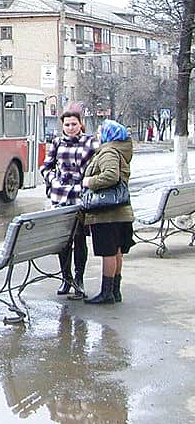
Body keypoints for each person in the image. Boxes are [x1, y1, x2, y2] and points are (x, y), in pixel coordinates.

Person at [40, 107, 97, 298]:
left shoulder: (90, 143)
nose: (70, 128)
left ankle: (79, 279)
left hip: (80, 196)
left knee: (79, 238)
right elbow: (46, 167)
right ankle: (66, 278)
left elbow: (96, 168)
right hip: (60, 196)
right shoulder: (56, 142)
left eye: (74, 124)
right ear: (62, 126)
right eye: (67, 124)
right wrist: (53, 180)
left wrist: (86, 183)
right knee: (64, 241)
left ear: (81, 124)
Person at [82, 119, 134, 305]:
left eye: (100, 131)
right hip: (120, 211)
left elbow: (111, 176)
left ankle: (107, 293)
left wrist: (89, 182)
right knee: (117, 250)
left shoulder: (109, 151)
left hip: (107, 212)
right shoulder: (121, 150)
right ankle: (115, 290)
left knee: (109, 252)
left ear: (108, 135)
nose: (97, 134)